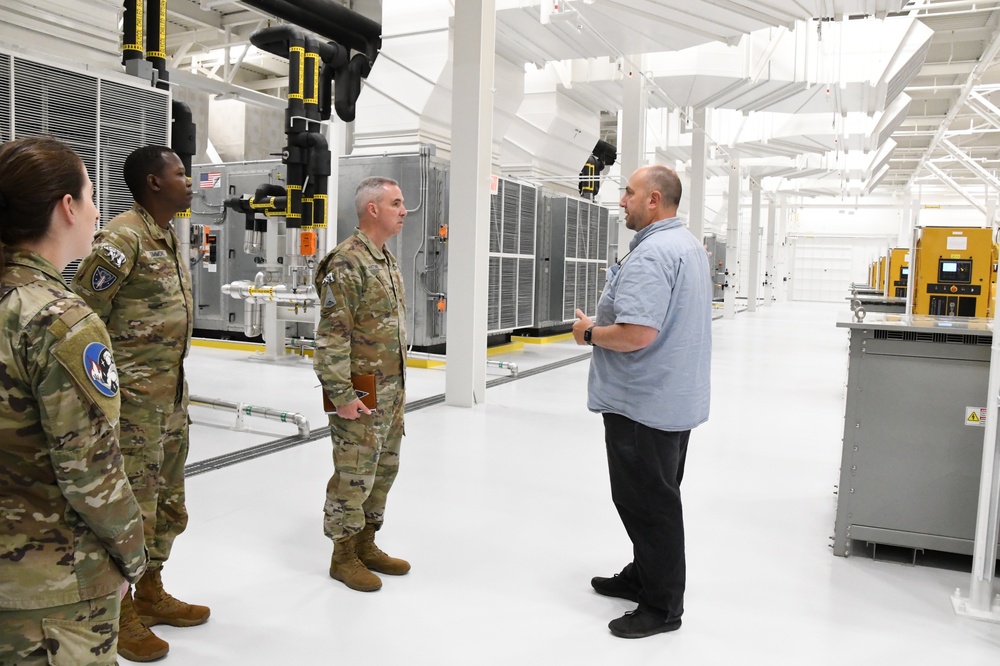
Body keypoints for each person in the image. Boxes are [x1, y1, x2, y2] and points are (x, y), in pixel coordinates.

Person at [0, 136, 147, 664]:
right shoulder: (60, 322)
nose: (97, 210)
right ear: (67, 208)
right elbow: (89, 470)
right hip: (51, 592)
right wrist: (132, 557)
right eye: (90, 196)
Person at [73, 145, 206, 661]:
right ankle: (118, 612)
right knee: (130, 510)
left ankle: (150, 590)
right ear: (154, 183)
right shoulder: (122, 237)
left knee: (168, 504)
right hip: (132, 405)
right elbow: (83, 314)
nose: (190, 182)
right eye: (180, 174)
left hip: (169, 398)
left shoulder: (166, 235)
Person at [573, 164, 712, 639]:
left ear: (654, 200)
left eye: (628, 193)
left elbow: (636, 335)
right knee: (654, 499)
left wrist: (588, 331)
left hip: (643, 405)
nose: (621, 201)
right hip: (672, 401)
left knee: (649, 506)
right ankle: (643, 575)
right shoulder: (689, 245)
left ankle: (661, 606)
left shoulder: (654, 254)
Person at [314, 176, 410, 592]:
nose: (404, 210)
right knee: (353, 474)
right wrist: (342, 395)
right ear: (373, 209)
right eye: (396, 202)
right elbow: (332, 336)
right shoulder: (347, 262)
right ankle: (343, 555)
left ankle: (366, 542)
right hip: (359, 391)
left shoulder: (383, 259)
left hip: (389, 392)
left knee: (383, 470)